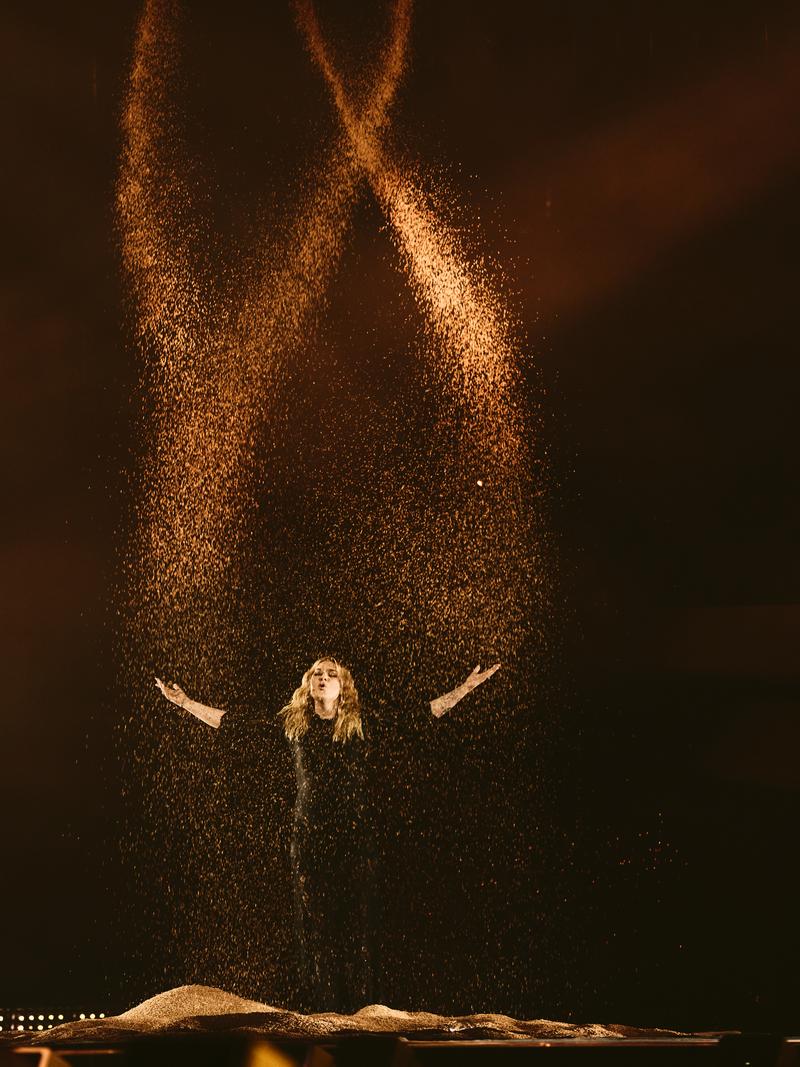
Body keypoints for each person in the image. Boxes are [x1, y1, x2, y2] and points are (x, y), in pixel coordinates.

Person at [155, 657, 500, 1012]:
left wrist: (465, 688)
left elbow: (421, 715)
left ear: (343, 687)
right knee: (316, 932)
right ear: (308, 685)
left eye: (331, 674)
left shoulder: (360, 723)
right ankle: (324, 1016)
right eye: (317, 673)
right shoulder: (292, 724)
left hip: (356, 839)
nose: (323, 678)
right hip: (308, 839)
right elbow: (233, 723)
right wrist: (184, 702)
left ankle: (364, 1016)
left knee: (359, 929)